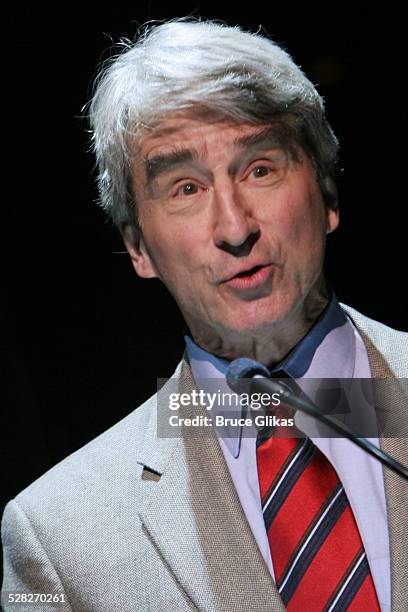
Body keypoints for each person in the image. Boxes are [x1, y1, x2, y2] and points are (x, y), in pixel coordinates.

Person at [2, 18, 408, 612]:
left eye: (260, 169)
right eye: (185, 189)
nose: (235, 227)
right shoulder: (55, 537)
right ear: (138, 246)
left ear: (326, 195)